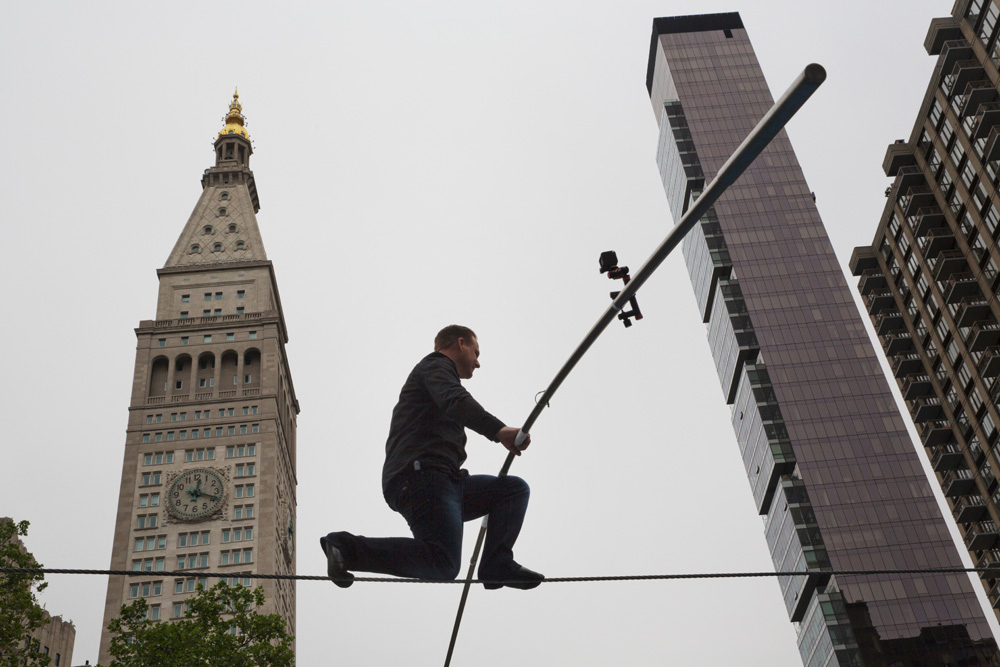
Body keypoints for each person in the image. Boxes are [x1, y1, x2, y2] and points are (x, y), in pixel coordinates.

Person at [320, 325, 543, 590]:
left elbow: (453, 402)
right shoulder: (435, 367)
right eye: (476, 352)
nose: (478, 363)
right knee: (443, 562)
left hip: (445, 480)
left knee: (512, 490)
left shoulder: (438, 377)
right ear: (460, 343)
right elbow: (454, 400)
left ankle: (497, 564)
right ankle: (345, 548)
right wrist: (498, 430)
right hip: (422, 476)